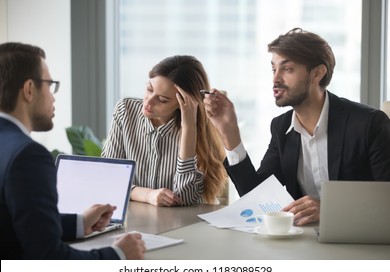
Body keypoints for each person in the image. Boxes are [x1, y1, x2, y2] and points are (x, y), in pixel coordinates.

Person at [204, 28, 390, 226]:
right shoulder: (281, 127)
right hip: (303, 242)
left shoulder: (368, 124)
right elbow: (255, 197)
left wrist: (329, 209)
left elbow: (386, 201)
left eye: (287, 69)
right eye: (274, 69)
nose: (275, 79)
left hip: (359, 241)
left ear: (318, 73)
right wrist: (229, 132)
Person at [0, 42, 145, 259]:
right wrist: (118, 254)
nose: (53, 96)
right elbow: (49, 258)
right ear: (29, 89)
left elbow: (15, 222)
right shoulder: (27, 156)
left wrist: (79, 223)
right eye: (50, 85)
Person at [102, 55, 227, 207]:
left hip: (181, 225)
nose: (148, 101)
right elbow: (108, 180)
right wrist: (147, 195)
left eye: (162, 100)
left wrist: (189, 127)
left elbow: (185, 197)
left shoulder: (197, 130)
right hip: (135, 220)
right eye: (149, 89)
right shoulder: (125, 111)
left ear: (184, 103)